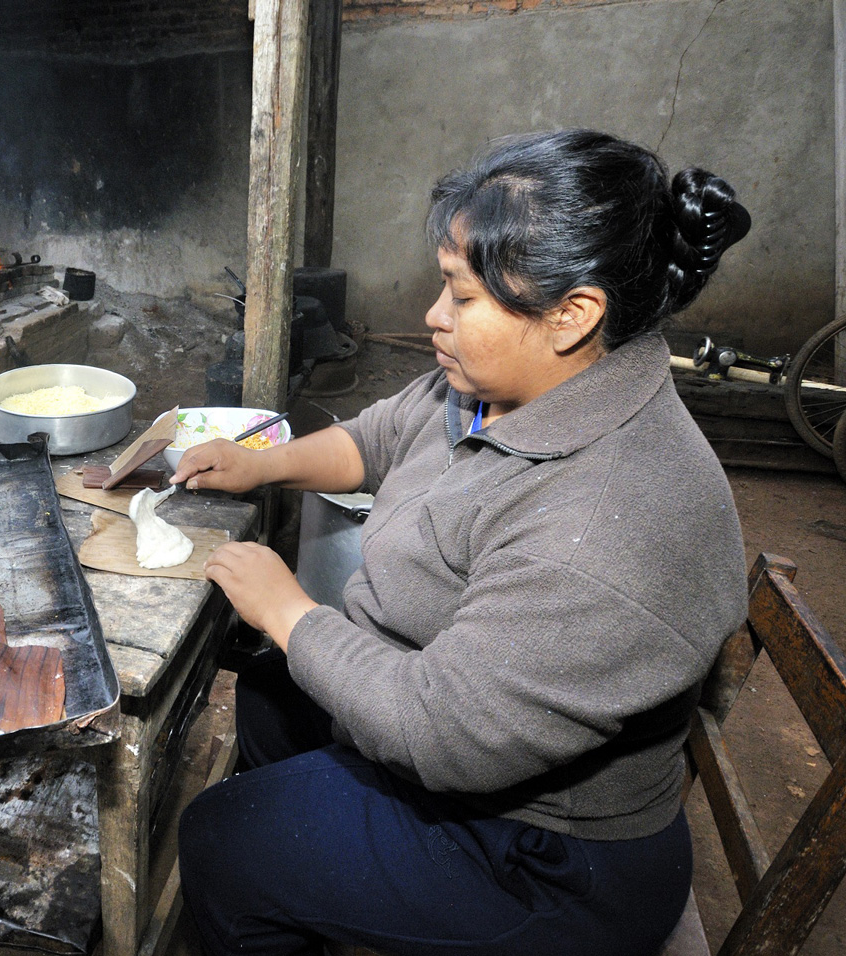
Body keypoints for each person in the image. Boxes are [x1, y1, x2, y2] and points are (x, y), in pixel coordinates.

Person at [171, 129, 752, 956]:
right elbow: (383, 435)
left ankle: (274, 875)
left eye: (461, 296)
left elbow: (440, 731)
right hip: (457, 728)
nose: (432, 317)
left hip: (547, 858)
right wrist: (259, 463)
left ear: (572, 315)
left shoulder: (604, 524)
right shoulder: (515, 382)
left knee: (220, 840)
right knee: (270, 700)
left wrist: (291, 611)